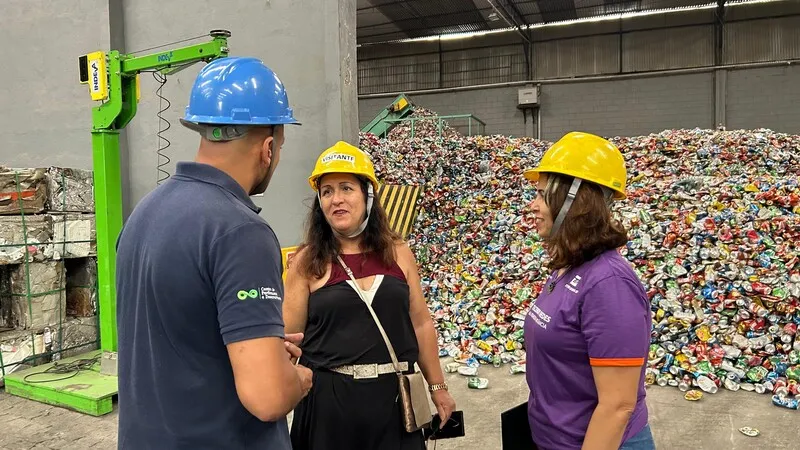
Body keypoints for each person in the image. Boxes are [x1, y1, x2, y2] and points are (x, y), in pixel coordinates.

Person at [115, 56, 313, 449]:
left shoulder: (144, 214)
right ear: (268, 148)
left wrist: (262, 345)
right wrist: (294, 379)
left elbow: (181, 334)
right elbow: (267, 397)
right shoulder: (240, 232)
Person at [283, 141, 457, 450]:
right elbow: (287, 340)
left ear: (368, 194)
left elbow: (420, 324)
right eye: (327, 191)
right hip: (328, 408)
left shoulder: (398, 252)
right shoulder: (306, 263)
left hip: (394, 403)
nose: (336, 199)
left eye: (346, 188)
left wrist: (438, 387)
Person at [522, 132, 655, 450]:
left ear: (573, 203)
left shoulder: (609, 285)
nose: (533, 205)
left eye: (542, 195)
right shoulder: (567, 266)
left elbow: (617, 406)